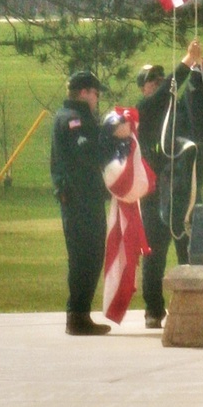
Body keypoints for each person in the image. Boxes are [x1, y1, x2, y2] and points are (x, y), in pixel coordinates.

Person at [134, 40, 203, 329]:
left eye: (160, 81)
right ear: (144, 88)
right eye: (152, 83)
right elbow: (164, 96)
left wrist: (201, 77)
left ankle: (190, 303)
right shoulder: (144, 110)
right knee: (154, 254)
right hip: (154, 193)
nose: (157, 86)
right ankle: (154, 309)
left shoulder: (178, 109)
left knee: (188, 248)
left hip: (182, 190)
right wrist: (185, 63)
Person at [51, 70, 131, 335]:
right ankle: (77, 315)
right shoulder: (73, 120)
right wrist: (111, 138)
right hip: (79, 200)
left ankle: (79, 313)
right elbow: (86, 151)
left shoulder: (78, 117)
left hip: (85, 199)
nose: (97, 99)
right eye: (95, 93)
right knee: (84, 257)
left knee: (90, 255)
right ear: (84, 92)